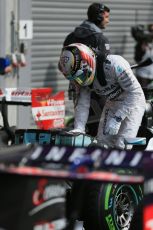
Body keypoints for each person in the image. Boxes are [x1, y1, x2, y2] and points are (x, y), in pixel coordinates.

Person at [58, 43, 146, 149]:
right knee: (101, 144)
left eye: (79, 76)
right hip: (112, 102)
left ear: (87, 63)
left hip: (133, 103)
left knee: (122, 145)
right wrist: (79, 128)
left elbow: (135, 92)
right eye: (75, 78)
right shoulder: (81, 80)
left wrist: (117, 118)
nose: (78, 81)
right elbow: (82, 104)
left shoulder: (115, 64)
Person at [63, 2, 110, 136]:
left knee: (82, 127)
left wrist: (75, 80)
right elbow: (107, 65)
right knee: (101, 129)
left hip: (76, 86)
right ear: (99, 17)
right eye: (106, 17)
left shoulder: (71, 36)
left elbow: (64, 63)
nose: (108, 21)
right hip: (98, 90)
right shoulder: (100, 38)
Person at [131, 24, 153, 89]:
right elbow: (137, 59)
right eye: (151, 30)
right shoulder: (141, 44)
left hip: (151, 74)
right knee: (144, 96)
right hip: (143, 75)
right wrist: (142, 51)